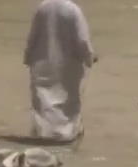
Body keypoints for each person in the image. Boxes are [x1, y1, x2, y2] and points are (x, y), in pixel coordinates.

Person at [23, 0, 96, 143]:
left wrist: (28, 56)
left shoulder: (42, 8)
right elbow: (82, 39)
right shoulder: (73, 10)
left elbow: (33, 36)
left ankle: (44, 132)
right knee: (68, 97)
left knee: (43, 99)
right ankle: (66, 132)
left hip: (42, 60)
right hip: (68, 62)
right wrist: (89, 57)